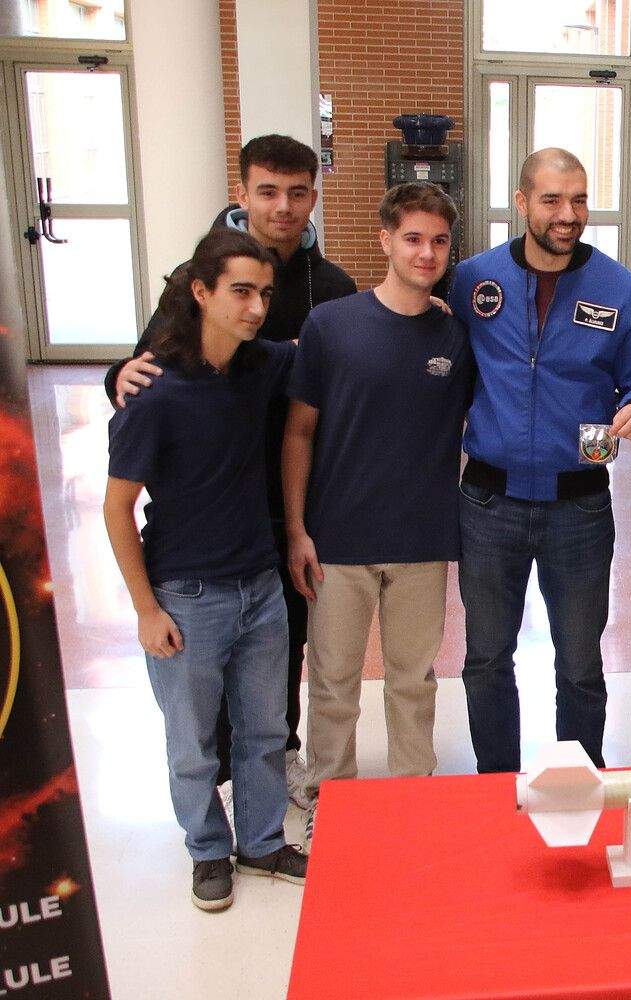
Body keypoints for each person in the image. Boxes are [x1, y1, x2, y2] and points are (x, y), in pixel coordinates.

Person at [106, 135, 356, 811]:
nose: (284, 206)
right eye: (268, 191)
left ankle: (279, 755)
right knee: (202, 652)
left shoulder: (328, 286)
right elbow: (148, 365)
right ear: (243, 193)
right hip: (209, 499)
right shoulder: (200, 275)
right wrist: (115, 375)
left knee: (281, 640)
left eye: (298, 192)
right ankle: (209, 776)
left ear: (313, 196)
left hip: (293, 492)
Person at [102, 228, 308, 912]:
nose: (255, 308)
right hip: (186, 596)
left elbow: (323, 350)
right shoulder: (155, 390)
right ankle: (207, 851)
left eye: (265, 294)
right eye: (241, 292)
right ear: (201, 292)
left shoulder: (258, 367)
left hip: (260, 587)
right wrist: (145, 609)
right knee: (192, 742)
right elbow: (116, 508)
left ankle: (260, 840)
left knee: (264, 730)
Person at [448, 148, 631, 774]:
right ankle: (495, 785)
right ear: (522, 202)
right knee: (487, 657)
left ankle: (580, 779)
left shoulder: (622, 290)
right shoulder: (473, 280)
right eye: (551, 200)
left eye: (578, 200)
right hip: (488, 503)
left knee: (579, 662)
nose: (567, 214)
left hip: (580, 503)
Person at [281, 183, 473, 825]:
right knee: (332, 683)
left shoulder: (456, 335)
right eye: (413, 238)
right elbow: (298, 431)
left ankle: (412, 795)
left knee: (413, 681)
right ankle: (327, 800)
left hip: (422, 539)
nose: (426, 252)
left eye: (439, 241)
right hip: (338, 540)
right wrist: (297, 529)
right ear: (385, 239)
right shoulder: (331, 325)